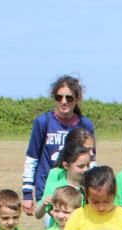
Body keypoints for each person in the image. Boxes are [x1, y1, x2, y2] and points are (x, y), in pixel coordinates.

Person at [22, 75, 94, 215]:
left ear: (77, 98)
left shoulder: (85, 124)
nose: (64, 101)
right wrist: (27, 192)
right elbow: (32, 158)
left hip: (78, 191)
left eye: (69, 97)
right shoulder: (43, 122)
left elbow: (92, 159)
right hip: (49, 190)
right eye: (59, 97)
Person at [34, 128, 95, 222]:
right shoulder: (56, 176)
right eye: (87, 149)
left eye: (92, 149)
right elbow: (45, 211)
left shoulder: (91, 177)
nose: (91, 153)